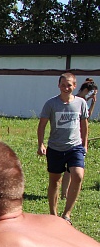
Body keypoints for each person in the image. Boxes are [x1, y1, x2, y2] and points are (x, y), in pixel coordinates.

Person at [37, 72, 88, 225]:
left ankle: (67, 214)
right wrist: (41, 144)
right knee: (55, 181)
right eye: (63, 85)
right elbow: (42, 125)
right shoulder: (51, 104)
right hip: (55, 148)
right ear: (59, 86)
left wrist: (84, 144)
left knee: (78, 176)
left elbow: (84, 125)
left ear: (75, 86)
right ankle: (53, 215)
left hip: (75, 147)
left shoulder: (80, 103)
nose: (66, 88)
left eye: (69, 85)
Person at [60, 78, 98, 199]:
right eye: (91, 92)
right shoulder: (77, 100)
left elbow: (87, 116)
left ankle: (66, 192)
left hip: (78, 136)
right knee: (70, 168)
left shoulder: (83, 101)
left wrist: (92, 103)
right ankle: (65, 192)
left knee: (72, 168)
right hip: (75, 137)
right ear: (87, 90)